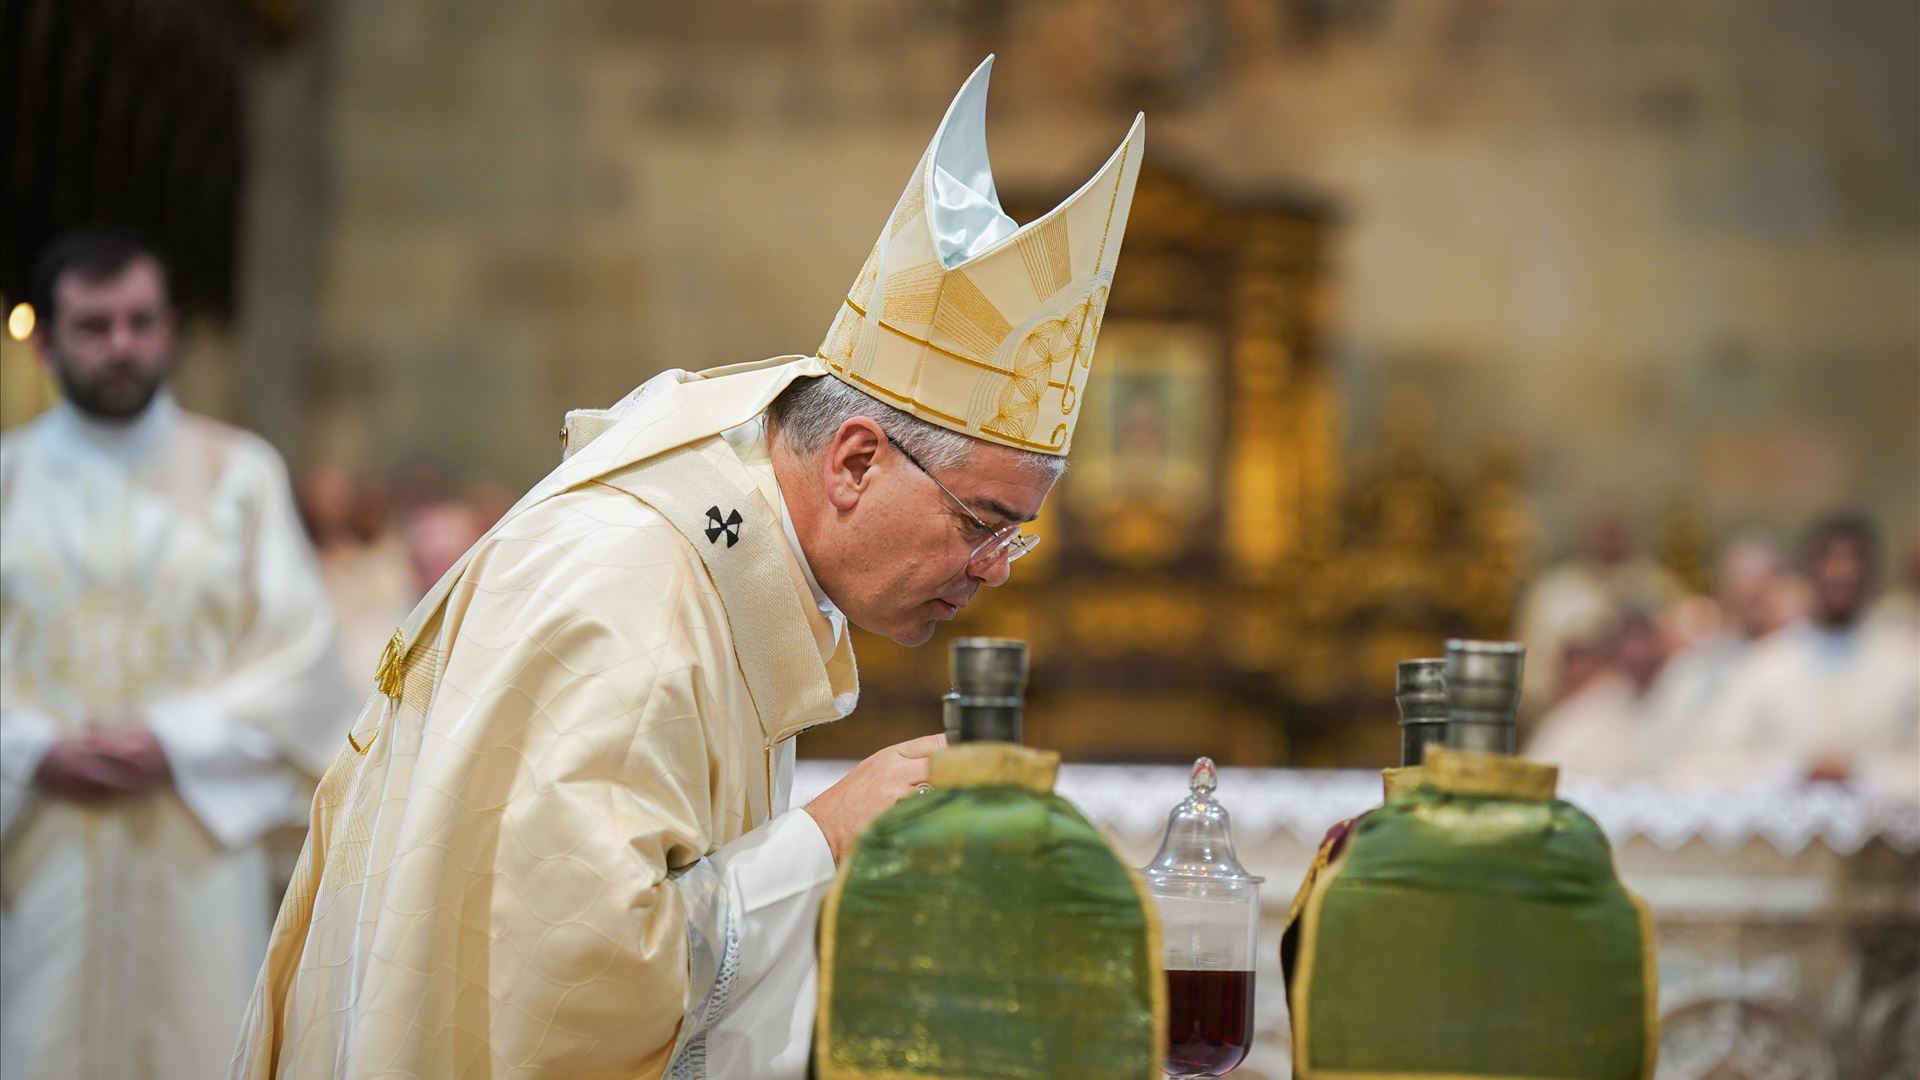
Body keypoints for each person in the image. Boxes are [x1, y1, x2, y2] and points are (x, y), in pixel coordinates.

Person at [231, 56, 1146, 1079]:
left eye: (1013, 536)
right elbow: (572, 978)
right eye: (985, 520)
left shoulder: (728, 568)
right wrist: (825, 842)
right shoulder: (631, 595)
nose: (995, 569)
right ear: (852, 461)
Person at [0, 227, 359, 1080]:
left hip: (197, 841)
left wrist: (178, 738)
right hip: (37, 844)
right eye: (94, 326)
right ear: (46, 339)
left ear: (169, 331)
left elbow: (303, 665)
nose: (121, 345)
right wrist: (30, 749)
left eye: (140, 321)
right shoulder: (6, 480)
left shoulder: (240, 475)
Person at [1676, 515, 1920, 797]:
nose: (1840, 573)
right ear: (1807, 572)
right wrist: (1792, 770)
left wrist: (1862, 773)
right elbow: (1707, 760)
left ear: (1872, 573)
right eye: (1827, 559)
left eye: (1853, 560)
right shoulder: (1766, 664)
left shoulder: (1908, 661)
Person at [1513, 507, 1683, 720]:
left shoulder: (1659, 589)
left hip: (1641, 718)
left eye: (1617, 529)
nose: (1610, 538)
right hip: (1564, 715)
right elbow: (1531, 673)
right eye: (1604, 529)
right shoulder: (1551, 594)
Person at [1525, 609, 1671, 778]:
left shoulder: (1676, 696)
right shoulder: (1587, 709)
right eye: (1632, 643)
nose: (1638, 653)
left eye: (1644, 640)